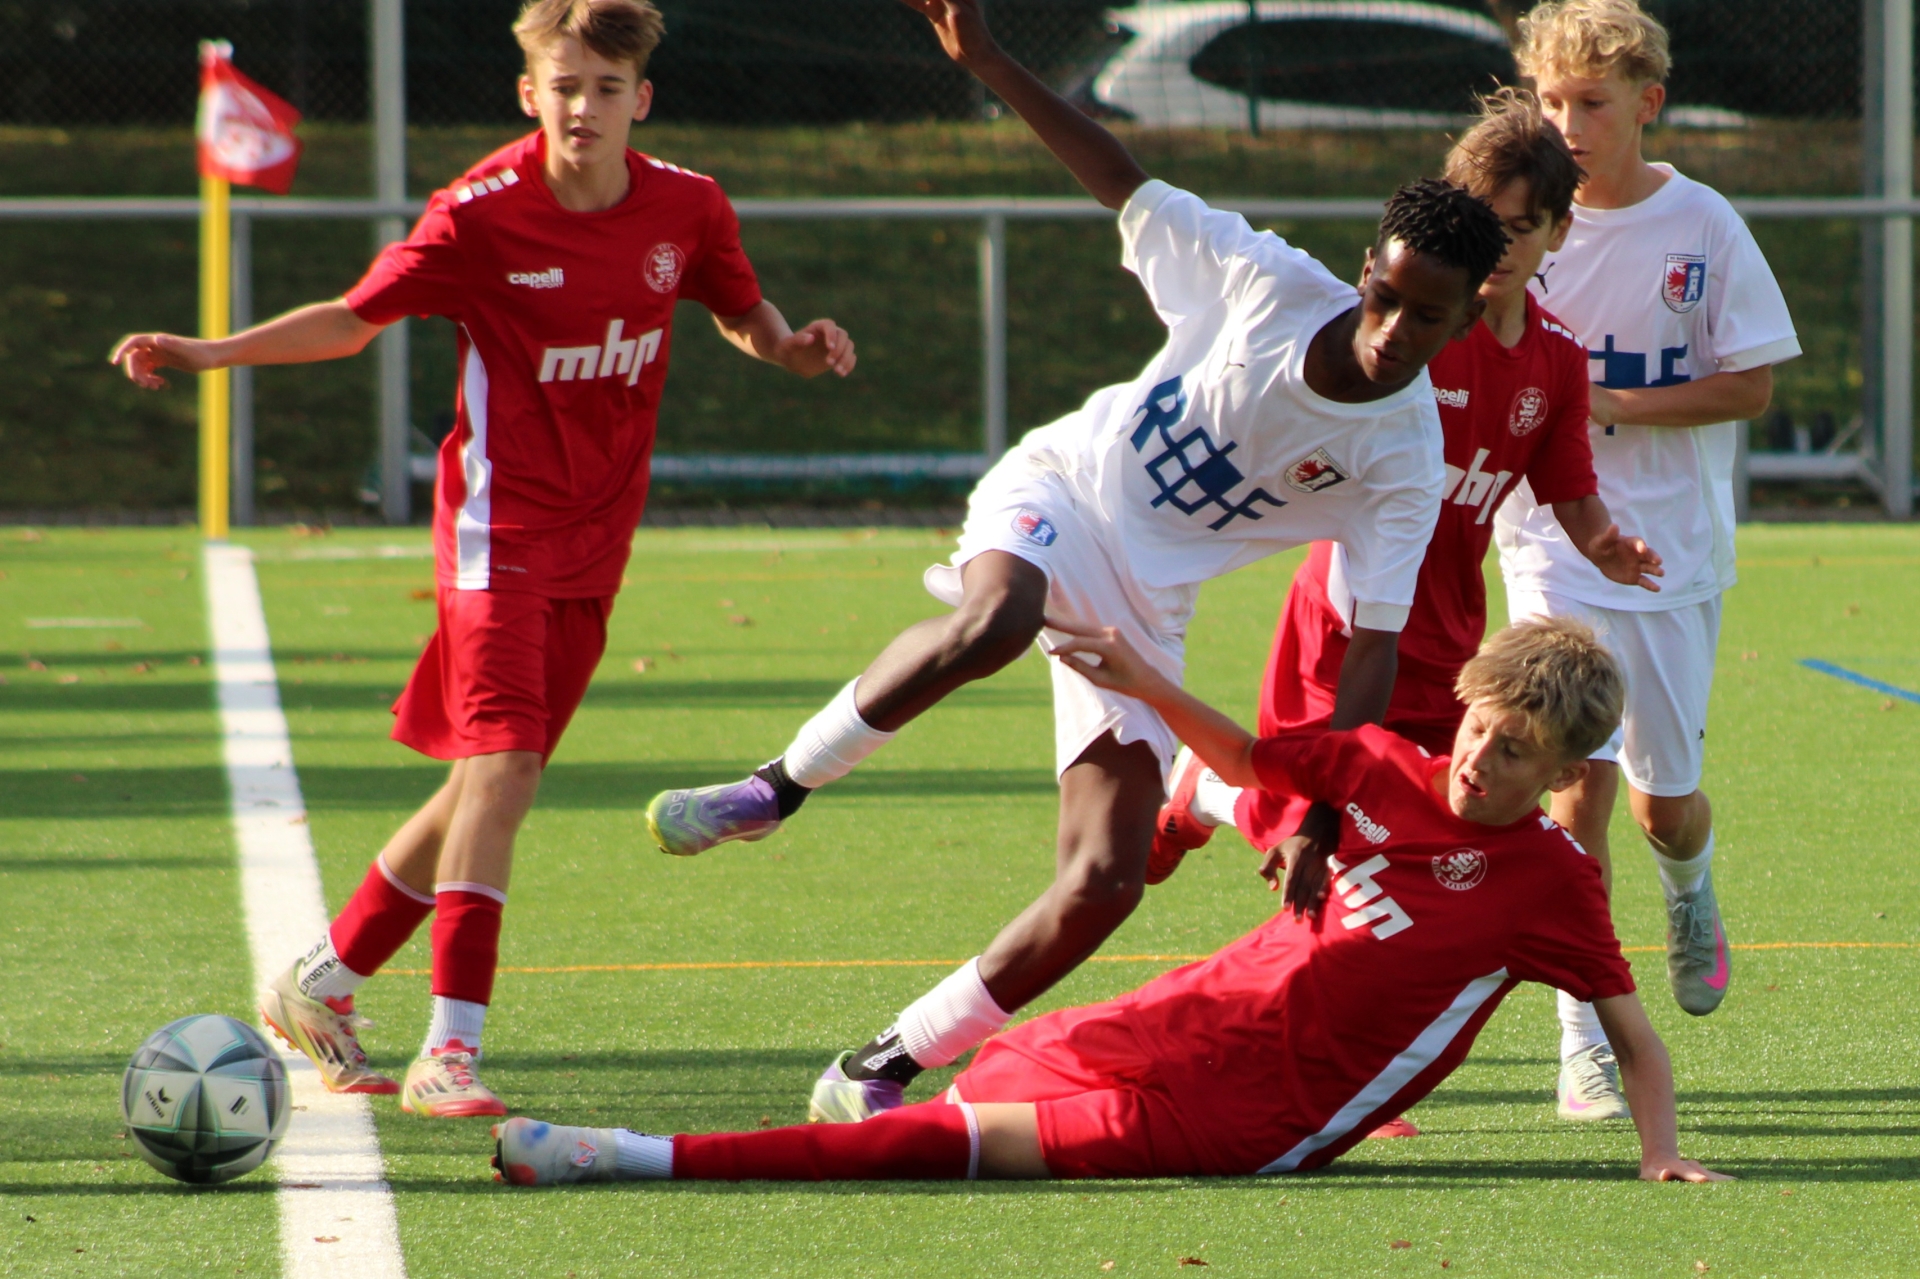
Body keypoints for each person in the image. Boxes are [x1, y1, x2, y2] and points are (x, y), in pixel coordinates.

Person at [642, 0, 1508, 1125]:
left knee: (1105, 880)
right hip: (1059, 490)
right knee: (995, 621)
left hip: (1142, 605)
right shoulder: (1261, 281)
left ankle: (879, 1065)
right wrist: (990, 60)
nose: (1394, 329)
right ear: (1363, 271)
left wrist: (1322, 818)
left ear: (1467, 318)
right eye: (1385, 297)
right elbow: (1120, 178)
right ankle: (776, 788)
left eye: (1427, 317)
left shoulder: (1405, 459)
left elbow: (1372, 650)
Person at [110, 0, 857, 1117]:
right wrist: (209, 352)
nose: (584, 107)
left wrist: (792, 349)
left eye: (607, 89)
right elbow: (352, 320)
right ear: (529, 93)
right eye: (564, 86)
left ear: (642, 99)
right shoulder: (479, 214)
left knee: (483, 780)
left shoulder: (689, 206)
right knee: (502, 769)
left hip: (599, 541)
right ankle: (448, 1051)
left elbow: (741, 310)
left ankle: (321, 981)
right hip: (494, 533)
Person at [489, 618, 1728, 1186]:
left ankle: (632, 1157)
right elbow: (1247, 757)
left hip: (1252, 1116)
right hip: (1181, 1018)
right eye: (1478, 730)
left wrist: (1659, 1151)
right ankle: (858, 1086)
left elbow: (1632, 1035)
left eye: (1515, 753)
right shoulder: (1381, 764)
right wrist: (1144, 677)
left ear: (1563, 776)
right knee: (977, 1087)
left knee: (954, 1146)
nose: (1479, 761)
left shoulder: (1551, 883)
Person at [1146, 90, 1664, 1131]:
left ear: (1559, 233)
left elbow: (1565, 483)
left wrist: (1604, 540)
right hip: (1348, 629)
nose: (1500, 247)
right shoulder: (1425, 338)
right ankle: (1205, 801)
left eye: (1522, 226)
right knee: (1329, 832)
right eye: (1487, 223)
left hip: (1449, 648)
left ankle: (1214, 804)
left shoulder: (1556, 361)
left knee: (1409, 850)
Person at [1493, 0, 1799, 1117]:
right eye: (1551, 102)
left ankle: (1688, 883)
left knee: (1662, 804)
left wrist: (1605, 401)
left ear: (1647, 104)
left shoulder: (1702, 224)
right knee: (1569, 781)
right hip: (1548, 538)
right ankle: (1582, 1039)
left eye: (1591, 103)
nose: (1566, 125)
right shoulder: (1522, 220)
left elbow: (1751, 384)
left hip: (1670, 554)